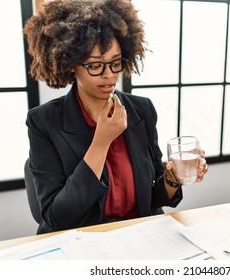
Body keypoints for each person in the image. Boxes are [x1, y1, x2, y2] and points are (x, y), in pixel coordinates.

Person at [23, 0, 208, 234]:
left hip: (139, 236)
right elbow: (57, 219)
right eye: (95, 66)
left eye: (115, 62)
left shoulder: (142, 110)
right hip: (82, 242)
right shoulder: (44, 122)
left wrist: (173, 177)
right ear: (70, 64)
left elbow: (151, 201)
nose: (109, 75)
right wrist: (101, 143)